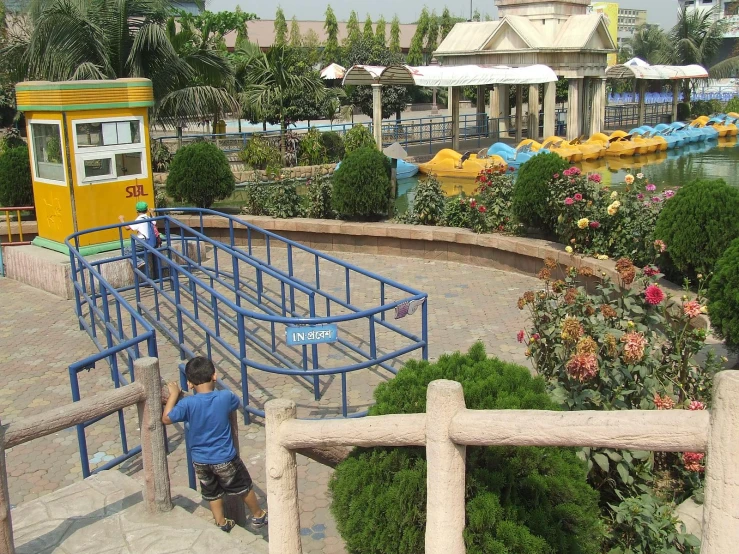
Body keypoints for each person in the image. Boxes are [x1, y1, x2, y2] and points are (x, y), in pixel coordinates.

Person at [162, 357, 268, 532]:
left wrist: (174, 394)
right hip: (224, 456)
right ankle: (258, 514)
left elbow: (166, 418)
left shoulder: (188, 403)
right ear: (215, 376)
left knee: (211, 491)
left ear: (189, 383)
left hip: (200, 460)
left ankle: (221, 522)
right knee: (243, 486)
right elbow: (235, 403)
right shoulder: (225, 397)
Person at [118, 201, 158, 275]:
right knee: (142, 256)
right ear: (146, 210)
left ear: (137, 211)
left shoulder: (139, 220)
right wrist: (152, 213)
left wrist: (121, 219)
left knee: (126, 251)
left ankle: (139, 262)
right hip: (151, 241)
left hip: (142, 242)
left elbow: (127, 228)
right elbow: (154, 222)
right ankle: (148, 280)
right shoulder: (148, 217)